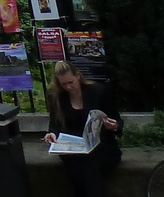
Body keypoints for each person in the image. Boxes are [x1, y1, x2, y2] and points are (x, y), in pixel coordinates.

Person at [43, 60, 121, 197]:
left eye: (71, 82)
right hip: (73, 149)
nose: (68, 87)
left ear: (78, 76)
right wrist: (52, 134)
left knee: (88, 168)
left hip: (101, 147)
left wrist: (114, 126)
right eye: (64, 84)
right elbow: (55, 123)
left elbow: (117, 120)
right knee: (80, 167)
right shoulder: (56, 96)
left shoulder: (98, 91)